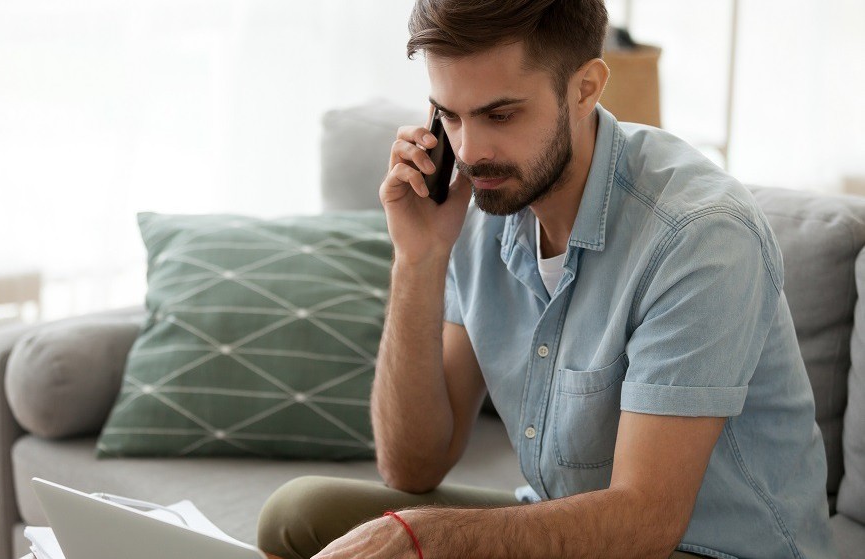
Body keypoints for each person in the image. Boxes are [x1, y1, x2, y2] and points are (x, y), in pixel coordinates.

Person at [257, 1, 837, 557]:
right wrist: (420, 258)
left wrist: (429, 540)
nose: (469, 150)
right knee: (297, 513)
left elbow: (646, 522)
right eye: (450, 116)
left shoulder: (700, 236)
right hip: (581, 530)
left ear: (585, 88)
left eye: (500, 114)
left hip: (702, 548)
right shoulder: (484, 206)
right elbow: (413, 466)